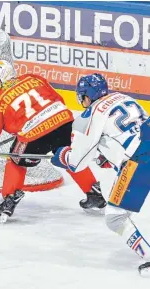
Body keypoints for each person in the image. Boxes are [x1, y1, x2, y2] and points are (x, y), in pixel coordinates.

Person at [0, 60, 103, 222]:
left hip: (34, 134)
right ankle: (94, 193)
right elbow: (57, 99)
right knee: (69, 156)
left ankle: (8, 201)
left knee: (15, 159)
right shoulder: (33, 78)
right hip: (64, 121)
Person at [51, 73, 150, 274]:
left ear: (87, 96)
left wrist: (61, 155)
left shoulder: (88, 116)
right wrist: (110, 154)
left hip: (141, 160)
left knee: (115, 217)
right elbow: (131, 131)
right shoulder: (124, 97)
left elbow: (77, 163)